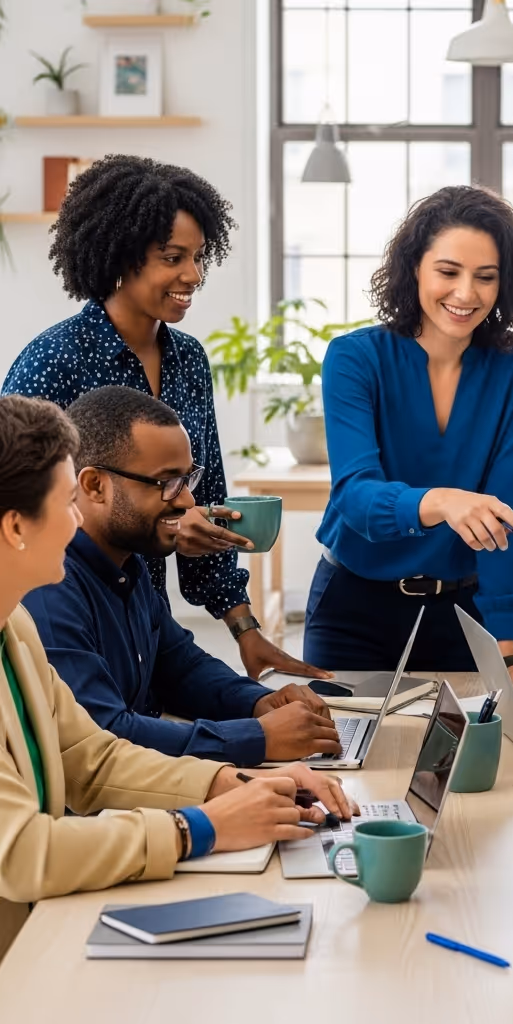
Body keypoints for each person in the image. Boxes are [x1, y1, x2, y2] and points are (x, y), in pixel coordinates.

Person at [0, 394, 355, 959]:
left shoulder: (12, 627)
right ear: (16, 525)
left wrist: (240, 787)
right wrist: (197, 829)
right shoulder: (39, 606)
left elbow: (93, 758)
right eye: (65, 502)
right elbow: (20, 855)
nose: (76, 521)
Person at [1, 154, 327, 683]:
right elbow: (15, 505)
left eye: (198, 257)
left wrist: (244, 628)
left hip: (146, 621)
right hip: (64, 622)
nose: (193, 275)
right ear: (122, 257)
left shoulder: (189, 360)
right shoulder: (54, 361)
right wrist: (168, 524)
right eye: (173, 257)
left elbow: (206, 493)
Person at [306, 184, 513, 694]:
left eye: (485, 277)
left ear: (505, 284)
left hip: (463, 616)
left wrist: (507, 650)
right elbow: (355, 497)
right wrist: (443, 501)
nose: (466, 294)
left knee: (470, 766)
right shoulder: (355, 358)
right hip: (352, 610)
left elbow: (506, 517)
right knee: (341, 759)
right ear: (414, 269)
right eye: (448, 272)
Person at [20, 386, 342, 766]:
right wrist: (256, 738)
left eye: (187, 479)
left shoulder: (127, 560)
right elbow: (101, 736)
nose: (188, 501)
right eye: (166, 482)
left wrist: (258, 703)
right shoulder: (49, 587)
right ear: (94, 485)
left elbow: (178, 666)